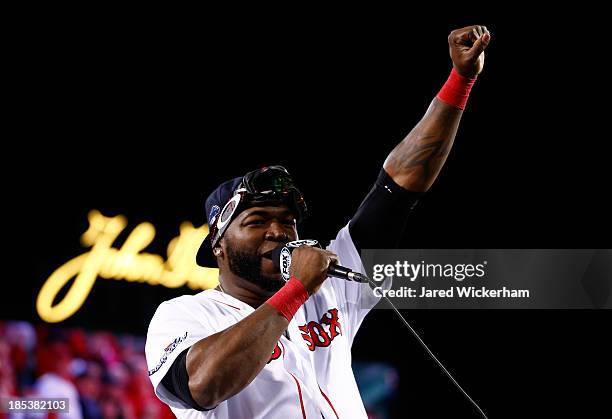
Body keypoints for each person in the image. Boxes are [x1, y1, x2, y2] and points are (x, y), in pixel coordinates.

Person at [145, 24, 491, 418]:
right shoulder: (186, 315)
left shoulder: (327, 287)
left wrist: (460, 80)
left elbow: (400, 185)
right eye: (257, 220)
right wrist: (295, 290)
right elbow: (202, 386)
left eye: (288, 220)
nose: (278, 231)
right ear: (218, 244)